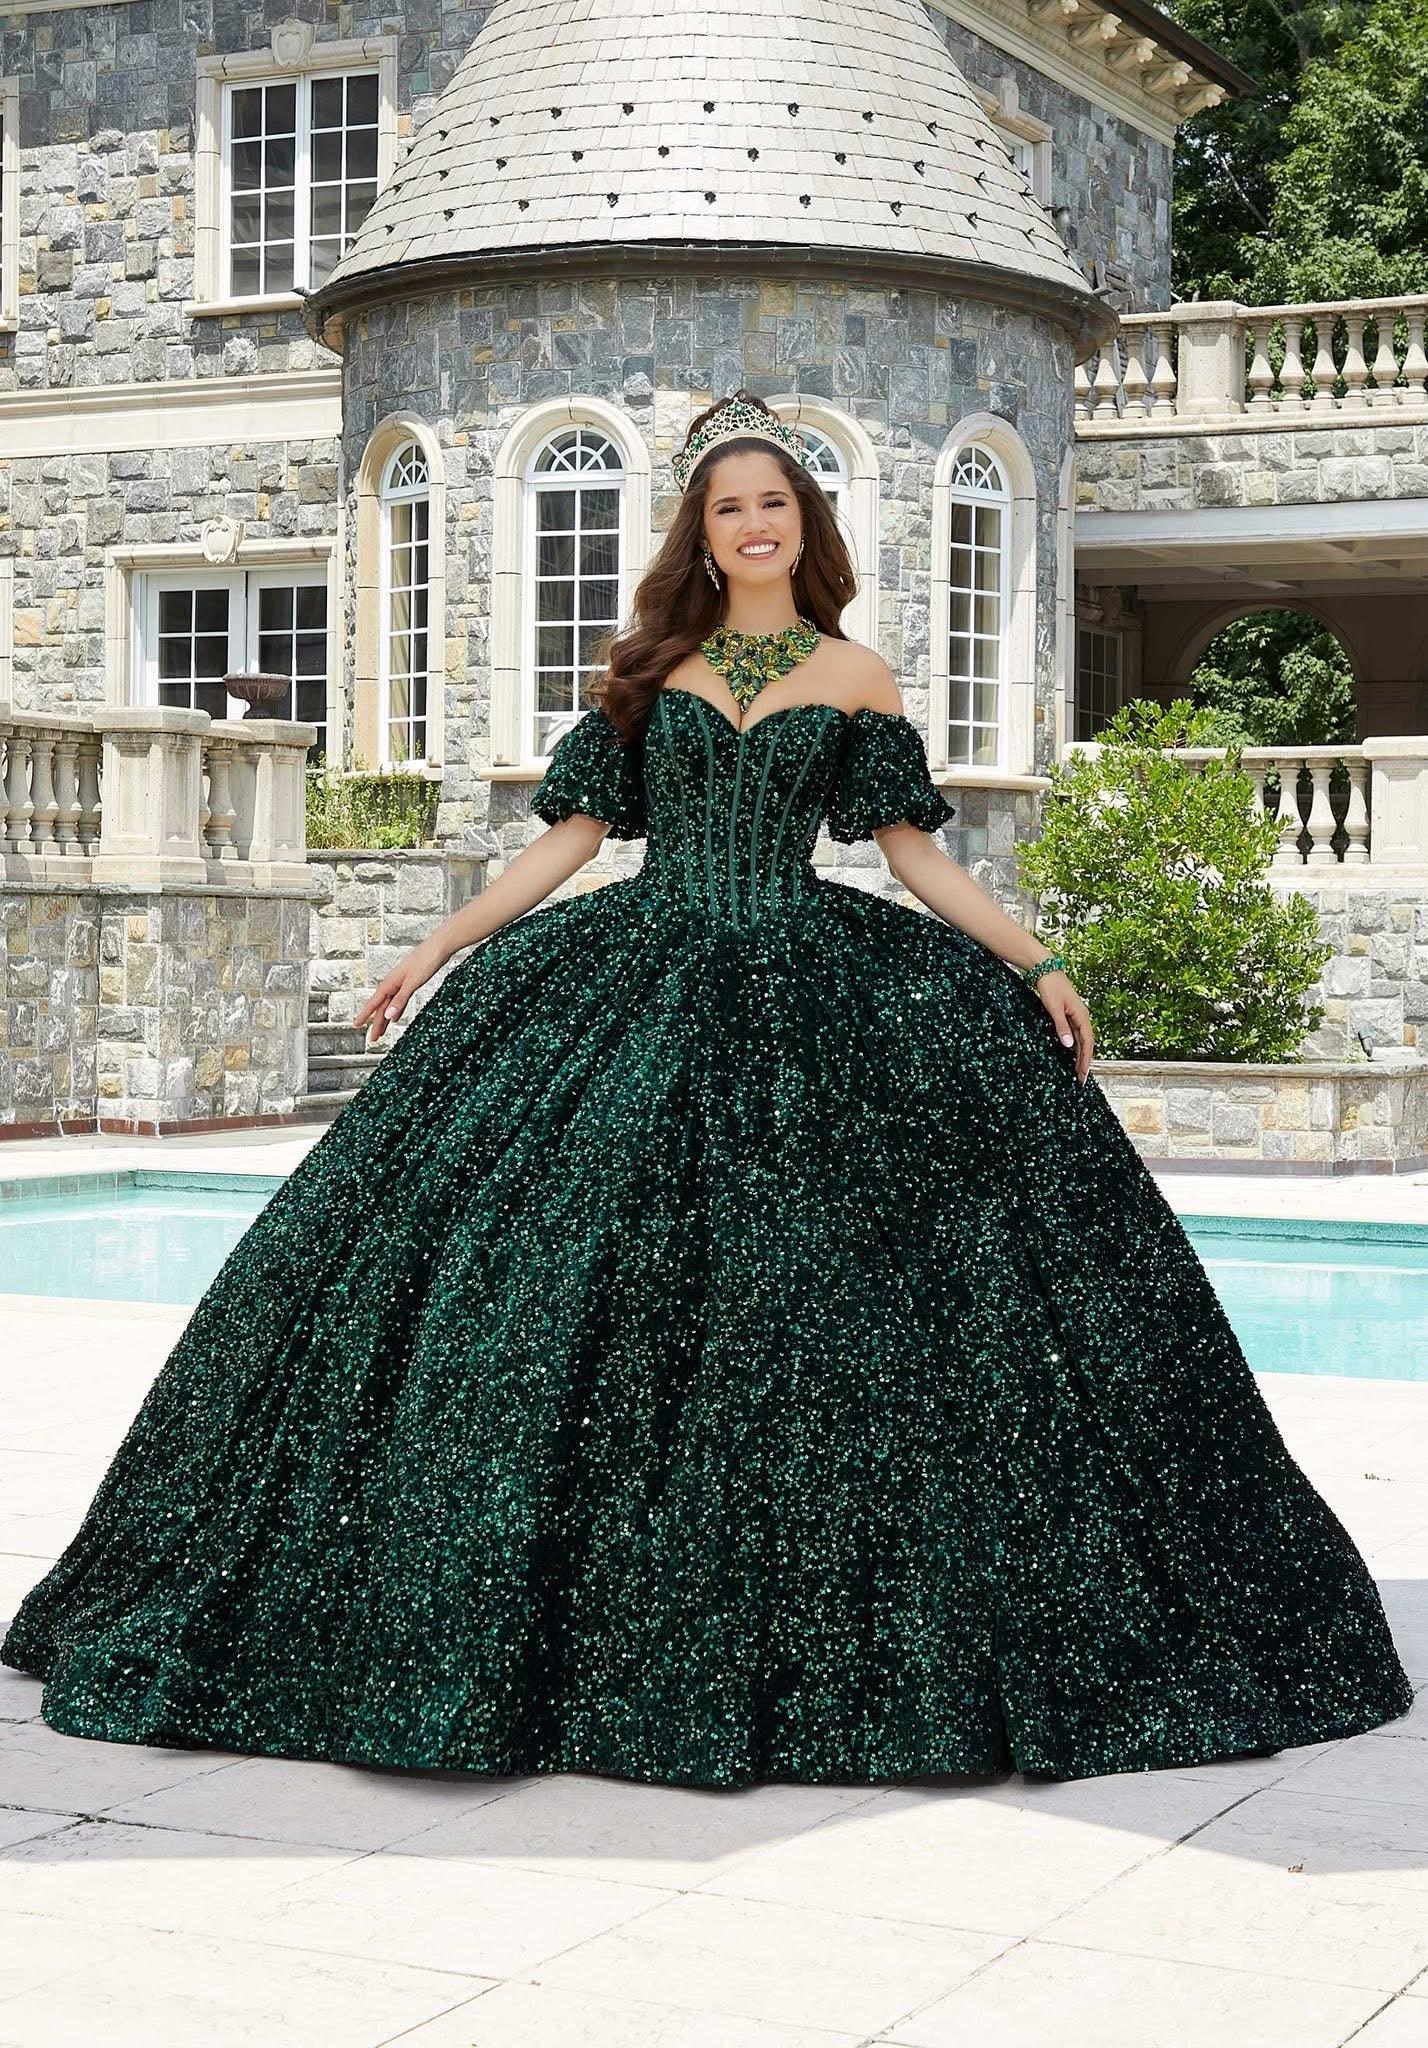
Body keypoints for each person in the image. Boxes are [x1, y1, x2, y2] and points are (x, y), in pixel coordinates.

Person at [2, 391, 1412, 1789]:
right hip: (636, 965)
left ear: (808, 527)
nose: (752, 524)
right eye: (729, 506)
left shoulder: (858, 678)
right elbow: (569, 844)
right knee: (543, 1265)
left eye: (775, 504)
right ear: (702, 529)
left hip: (813, 973)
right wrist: (436, 941)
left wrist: (1038, 958)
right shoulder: (642, 669)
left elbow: (913, 856)